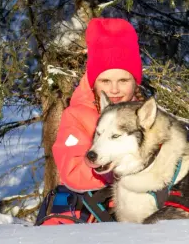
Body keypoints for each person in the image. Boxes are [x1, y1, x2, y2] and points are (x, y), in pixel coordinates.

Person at [37, 17, 142, 225]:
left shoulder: (143, 114)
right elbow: (74, 171)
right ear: (93, 82)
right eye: (105, 81)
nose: (114, 89)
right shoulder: (77, 116)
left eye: (123, 80)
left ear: (135, 81)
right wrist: (121, 168)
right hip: (94, 214)